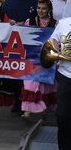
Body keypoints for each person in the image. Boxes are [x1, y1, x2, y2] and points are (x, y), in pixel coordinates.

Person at [21, 0, 57, 118]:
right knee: (30, 82)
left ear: (49, 10)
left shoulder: (54, 23)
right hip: (32, 58)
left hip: (47, 58)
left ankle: (44, 110)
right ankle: (28, 110)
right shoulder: (30, 21)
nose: (40, 11)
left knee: (45, 84)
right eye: (39, 8)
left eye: (44, 8)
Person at [48, 17, 71, 149]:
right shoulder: (63, 23)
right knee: (62, 116)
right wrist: (54, 45)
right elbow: (52, 41)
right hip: (66, 75)